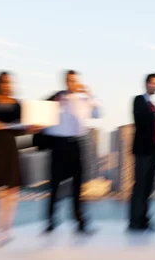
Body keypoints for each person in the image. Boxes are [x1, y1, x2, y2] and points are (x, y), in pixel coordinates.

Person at [0, 72, 44, 246]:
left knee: (11, 192)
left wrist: (33, 128)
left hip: (11, 149)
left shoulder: (17, 104)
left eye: (9, 82)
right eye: (4, 82)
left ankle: (3, 231)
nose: (7, 85)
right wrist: (2, 125)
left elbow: (21, 129)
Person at [43, 70, 100, 234]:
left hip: (76, 144)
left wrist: (89, 94)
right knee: (55, 185)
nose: (72, 83)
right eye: (69, 80)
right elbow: (42, 117)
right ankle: (50, 222)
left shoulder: (84, 99)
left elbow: (97, 113)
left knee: (77, 186)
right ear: (65, 81)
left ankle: (80, 223)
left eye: (74, 81)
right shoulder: (56, 97)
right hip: (58, 145)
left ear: (78, 82)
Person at [129, 73, 155, 231]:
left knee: (148, 188)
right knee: (140, 187)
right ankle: (135, 222)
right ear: (146, 84)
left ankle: (144, 220)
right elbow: (141, 120)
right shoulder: (139, 101)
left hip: (153, 153)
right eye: (153, 83)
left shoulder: (153, 105)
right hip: (142, 152)